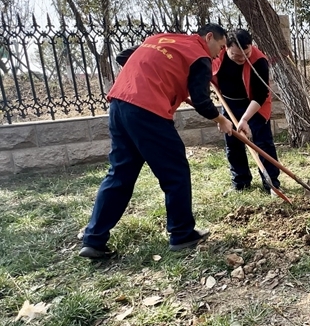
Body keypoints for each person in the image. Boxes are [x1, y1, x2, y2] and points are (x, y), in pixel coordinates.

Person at [79, 24, 234, 259]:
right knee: (175, 172)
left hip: (120, 104)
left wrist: (155, 73)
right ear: (209, 37)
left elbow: (125, 56)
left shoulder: (162, 38)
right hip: (148, 111)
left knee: (120, 174)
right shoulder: (199, 55)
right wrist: (220, 119)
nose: (218, 54)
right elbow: (202, 100)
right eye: (220, 48)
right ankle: (182, 234)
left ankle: (93, 239)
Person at [210, 29, 281, 196]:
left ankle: (272, 184)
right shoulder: (217, 56)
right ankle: (240, 183)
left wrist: (245, 119)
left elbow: (260, 95)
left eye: (246, 54)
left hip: (254, 106)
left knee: (262, 144)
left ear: (251, 46)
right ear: (225, 48)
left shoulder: (259, 61)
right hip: (229, 104)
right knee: (233, 145)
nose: (242, 59)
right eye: (236, 55)